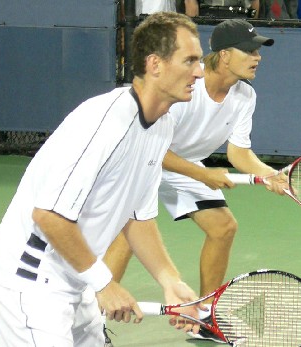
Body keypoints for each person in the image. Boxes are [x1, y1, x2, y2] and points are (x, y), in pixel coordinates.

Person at [0, 12, 205, 347]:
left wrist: (169, 279)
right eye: (189, 61)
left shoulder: (162, 126)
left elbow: (137, 217)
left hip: (75, 276)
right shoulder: (104, 123)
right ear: (155, 65)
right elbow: (49, 216)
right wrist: (104, 283)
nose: (199, 72)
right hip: (28, 281)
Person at [104, 19, 288, 343]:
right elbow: (153, 147)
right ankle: (92, 320)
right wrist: (204, 174)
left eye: (258, 50)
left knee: (223, 227)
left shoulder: (245, 96)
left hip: (181, 165)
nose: (257, 57)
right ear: (225, 55)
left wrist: (269, 175)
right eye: (249, 50)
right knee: (128, 235)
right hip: (140, 160)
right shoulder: (186, 84)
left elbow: (239, 152)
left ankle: (204, 316)